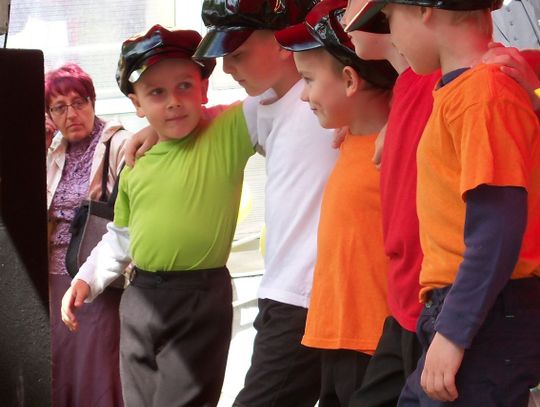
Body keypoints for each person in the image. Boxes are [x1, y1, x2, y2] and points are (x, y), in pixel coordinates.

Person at [349, 1, 540, 406]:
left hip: (485, 313)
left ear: (424, 10)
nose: (390, 34)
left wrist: (453, 333)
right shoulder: (464, 92)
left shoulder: (483, 94)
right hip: (470, 307)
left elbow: (497, 229)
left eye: (389, 18)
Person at [61, 25, 256, 407]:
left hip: (199, 297)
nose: (173, 102)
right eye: (157, 93)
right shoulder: (136, 164)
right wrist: (87, 278)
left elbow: (273, 98)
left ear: (204, 89)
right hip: (139, 297)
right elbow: (122, 234)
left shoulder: (227, 131)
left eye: (185, 86)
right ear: (137, 104)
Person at [193, 1, 342, 405]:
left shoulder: (332, 99)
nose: (227, 68)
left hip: (306, 294)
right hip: (283, 290)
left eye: (238, 54)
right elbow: (217, 118)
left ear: (281, 40)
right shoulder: (265, 104)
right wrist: (153, 132)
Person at [274, 0, 397, 405]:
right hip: (337, 337)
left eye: (308, 80)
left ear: (349, 80)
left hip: (376, 346)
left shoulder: (395, 152)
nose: (303, 95)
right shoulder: (350, 139)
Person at [46, 62, 130, 407]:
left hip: (98, 276)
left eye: (79, 102)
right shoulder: (54, 149)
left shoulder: (118, 143)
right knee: (60, 367)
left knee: (98, 368)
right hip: (54, 278)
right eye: (59, 107)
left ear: (93, 102)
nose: (71, 114)